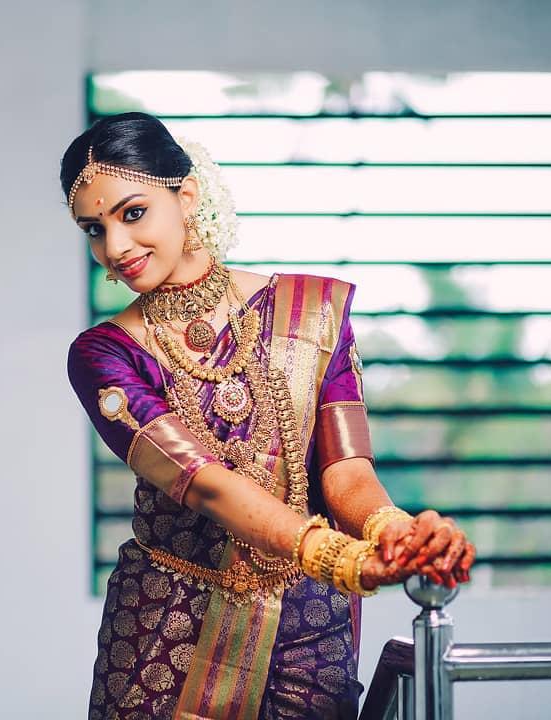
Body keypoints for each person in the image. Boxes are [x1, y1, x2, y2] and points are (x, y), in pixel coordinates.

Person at [61, 112, 477, 720]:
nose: (115, 246)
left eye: (132, 213)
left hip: (308, 629)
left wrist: (396, 534)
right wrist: (341, 558)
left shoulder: (314, 312)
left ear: (187, 195)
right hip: (168, 631)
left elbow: (347, 473)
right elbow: (203, 483)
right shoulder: (106, 353)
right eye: (93, 229)